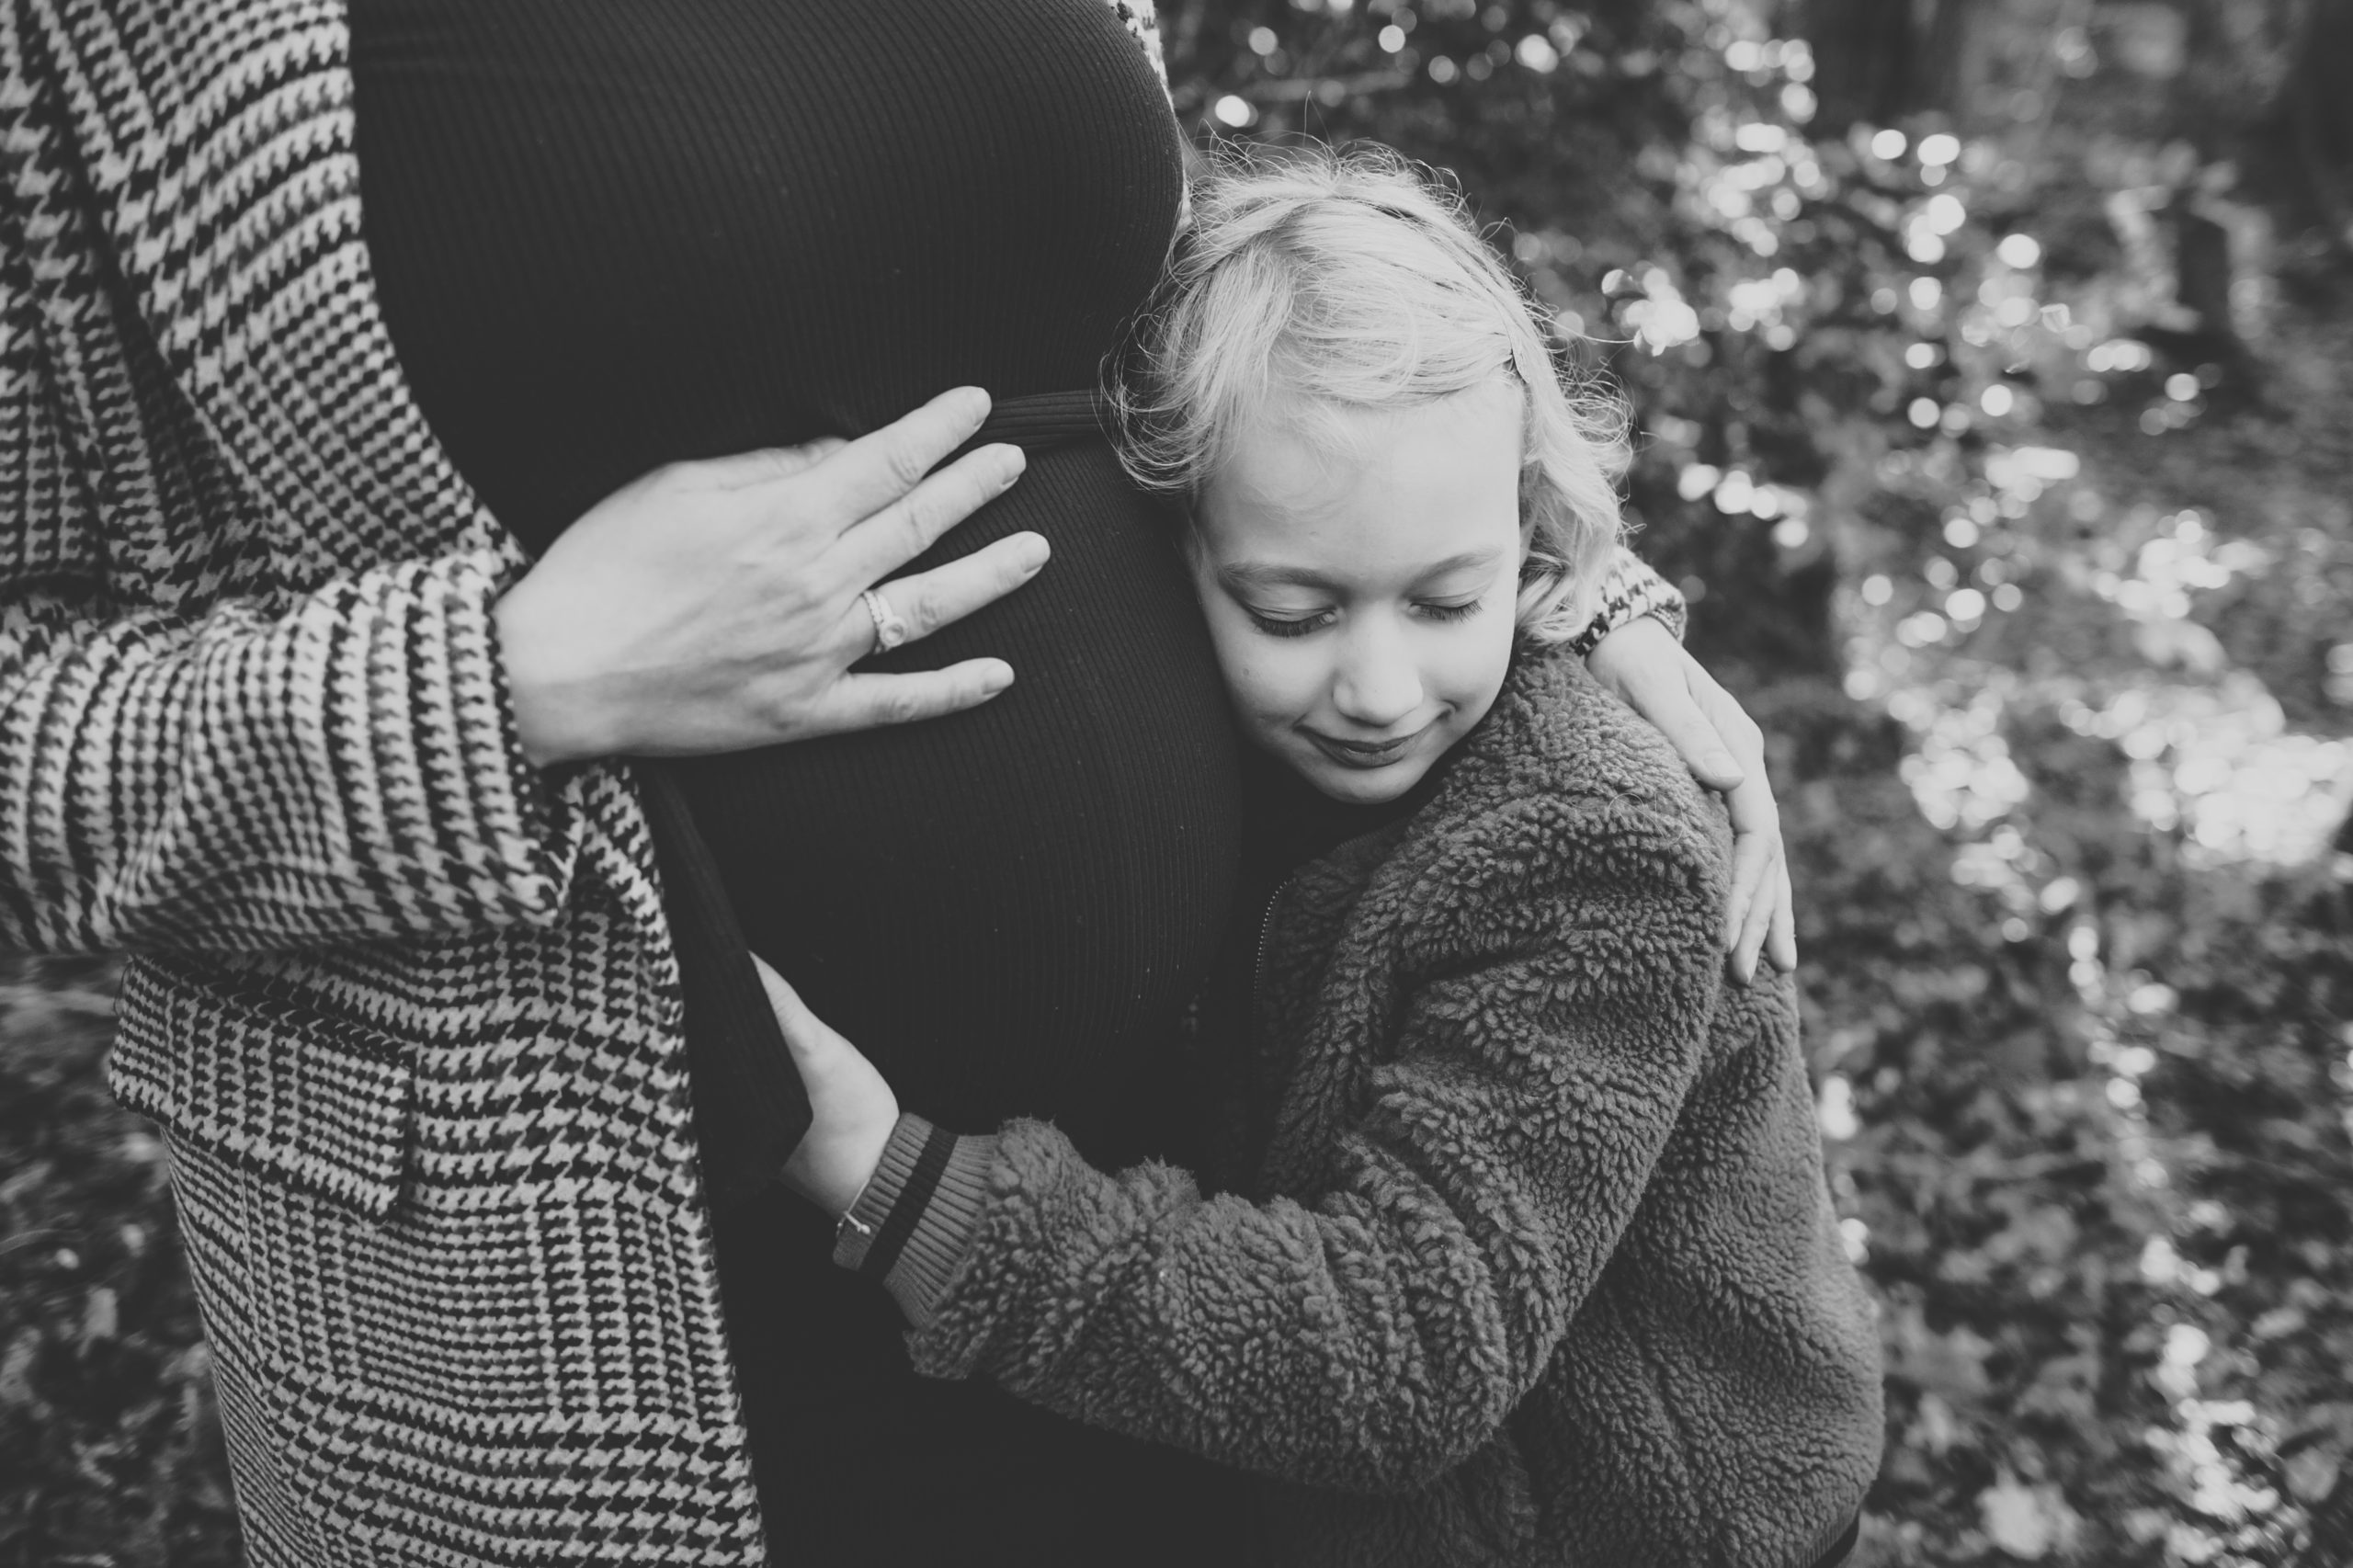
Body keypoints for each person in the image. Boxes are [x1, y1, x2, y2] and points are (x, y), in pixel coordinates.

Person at [1, 3, 1791, 1561]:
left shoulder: (1535, 817)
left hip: (1195, 1215)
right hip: (600, 1265)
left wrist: (1569, 591)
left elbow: (1178, 329)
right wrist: (501, 682)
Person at [766, 148, 1884, 1567]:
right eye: (1293, 610)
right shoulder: (1282, 716)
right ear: (1169, 540)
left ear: (1534, 544)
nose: (1377, 684)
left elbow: (1406, 1353)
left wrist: (902, 1183)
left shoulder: (1593, 857)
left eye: (1446, 598)